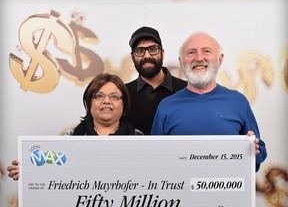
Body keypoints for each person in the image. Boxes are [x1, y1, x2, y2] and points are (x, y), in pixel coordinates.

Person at [150, 32, 267, 172]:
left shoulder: (238, 102)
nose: (199, 58)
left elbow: (259, 153)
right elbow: (153, 159)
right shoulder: (166, 107)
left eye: (206, 51)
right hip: (180, 192)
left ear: (220, 59)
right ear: (181, 62)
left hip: (227, 192)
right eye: (191, 52)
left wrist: (254, 150)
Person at [7, 73, 143, 180]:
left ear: (124, 103)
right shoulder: (69, 139)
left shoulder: (140, 140)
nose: (106, 101)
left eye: (114, 97)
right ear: (89, 102)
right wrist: (27, 171)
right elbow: (51, 174)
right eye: (99, 96)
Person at [125, 26, 187, 135]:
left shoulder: (185, 90)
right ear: (133, 57)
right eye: (139, 51)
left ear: (162, 53)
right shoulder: (123, 94)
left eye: (153, 49)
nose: (147, 56)